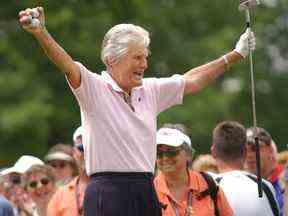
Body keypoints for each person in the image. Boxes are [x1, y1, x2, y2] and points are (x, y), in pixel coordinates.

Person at [18, 6, 255, 216]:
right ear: (112, 60)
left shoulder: (149, 90)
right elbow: (65, 63)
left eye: (145, 57)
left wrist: (235, 55)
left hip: (145, 188)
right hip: (107, 192)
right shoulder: (94, 88)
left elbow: (192, 80)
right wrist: (41, 33)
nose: (144, 64)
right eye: (137, 58)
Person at [154, 126, 233, 215]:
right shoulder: (150, 190)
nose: (165, 158)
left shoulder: (208, 184)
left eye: (171, 152)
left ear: (189, 154)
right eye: (158, 153)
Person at [211, 121, 279, 216]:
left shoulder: (205, 189)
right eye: (250, 149)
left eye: (255, 148)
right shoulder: (266, 187)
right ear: (245, 152)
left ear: (213, 152)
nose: (251, 155)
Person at [47, 126, 89, 216]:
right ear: (74, 153)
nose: (86, 152)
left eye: (62, 165)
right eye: (81, 148)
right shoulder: (60, 195)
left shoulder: (114, 187)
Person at [245, 127, 284, 215]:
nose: (249, 155)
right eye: (244, 150)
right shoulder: (241, 185)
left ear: (270, 150)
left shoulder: (285, 180)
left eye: (254, 148)